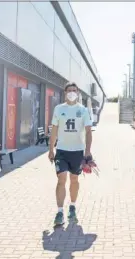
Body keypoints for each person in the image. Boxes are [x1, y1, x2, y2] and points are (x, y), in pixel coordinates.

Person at [48, 82, 93, 226]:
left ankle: (72, 206)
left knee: (74, 180)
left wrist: (87, 151)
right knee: (61, 179)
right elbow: (54, 130)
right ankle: (60, 212)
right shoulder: (59, 109)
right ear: (65, 92)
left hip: (77, 152)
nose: (72, 92)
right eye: (69, 90)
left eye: (74, 90)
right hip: (61, 151)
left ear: (78, 92)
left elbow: (88, 131)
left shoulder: (83, 110)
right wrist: (51, 149)